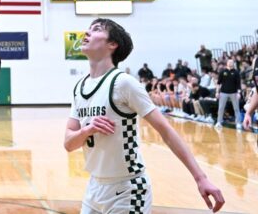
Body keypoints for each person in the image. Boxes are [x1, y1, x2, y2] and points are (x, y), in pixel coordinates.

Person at [64, 18, 224, 214]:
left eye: (96, 29)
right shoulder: (79, 87)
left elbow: (166, 131)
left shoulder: (123, 83)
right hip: (93, 189)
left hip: (128, 189)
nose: (86, 33)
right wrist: (88, 129)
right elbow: (69, 144)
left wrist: (200, 178)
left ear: (112, 45)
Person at [215, 59, 241, 129]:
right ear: (227, 63)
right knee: (221, 108)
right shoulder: (222, 72)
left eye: (232, 62)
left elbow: (238, 84)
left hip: (234, 93)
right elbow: (218, 83)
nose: (230, 63)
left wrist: (239, 93)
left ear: (233, 63)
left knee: (236, 108)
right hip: (223, 92)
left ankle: (238, 123)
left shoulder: (236, 72)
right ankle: (219, 122)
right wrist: (217, 92)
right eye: (229, 62)